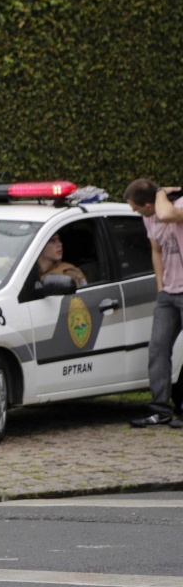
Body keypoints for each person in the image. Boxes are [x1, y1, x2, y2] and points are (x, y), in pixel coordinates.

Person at [124, 179, 183, 428]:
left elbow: (167, 214)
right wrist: (160, 287)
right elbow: (156, 250)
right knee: (158, 349)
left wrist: (159, 191)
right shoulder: (149, 216)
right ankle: (160, 409)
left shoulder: (177, 206)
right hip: (168, 293)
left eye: (137, 208)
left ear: (149, 204)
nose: (135, 212)